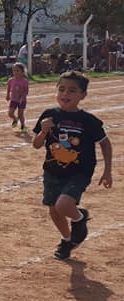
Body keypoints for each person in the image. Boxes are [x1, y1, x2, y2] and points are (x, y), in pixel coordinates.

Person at [32, 71, 113, 261]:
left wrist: (107, 170)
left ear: (82, 95)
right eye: (61, 89)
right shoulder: (49, 115)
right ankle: (67, 240)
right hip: (52, 171)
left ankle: (79, 219)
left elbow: (105, 143)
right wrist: (43, 131)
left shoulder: (89, 121)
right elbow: (36, 144)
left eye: (72, 91)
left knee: (63, 205)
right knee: (54, 209)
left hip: (79, 171)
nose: (65, 94)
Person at [6, 63, 30, 131]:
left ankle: (23, 125)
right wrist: (7, 95)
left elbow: (26, 91)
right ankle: (15, 119)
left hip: (22, 100)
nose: (15, 72)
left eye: (17, 70)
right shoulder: (11, 80)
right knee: (10, 113)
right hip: (13, 99)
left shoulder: (25, 81)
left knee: (20, 114)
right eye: (14, 70)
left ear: (22, 72)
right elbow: (9, 88)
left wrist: (22, 97)